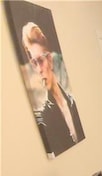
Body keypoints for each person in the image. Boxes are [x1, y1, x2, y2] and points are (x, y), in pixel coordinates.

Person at [22, 21, 84, 156]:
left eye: (40, 60)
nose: (38, 70)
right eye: (33, 62)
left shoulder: (72, 102)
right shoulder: (46, 116)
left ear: (50, 59)